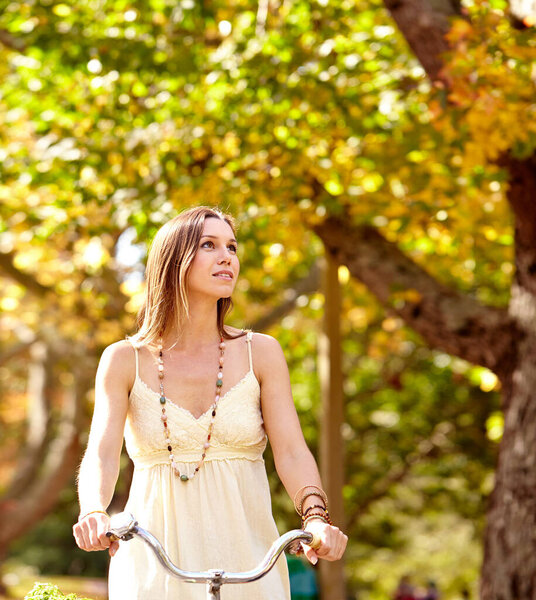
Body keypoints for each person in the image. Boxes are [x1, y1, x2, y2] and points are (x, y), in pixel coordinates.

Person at [72, 206, 348, 599]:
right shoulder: (123, 359)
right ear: (174, 261)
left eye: (232, 247)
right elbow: (101, 454)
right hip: (152, 561)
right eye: (209, 245)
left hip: (248, 562)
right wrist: (94, 512)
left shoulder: (262, 353)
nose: (227, 257)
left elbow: (291, 451)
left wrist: (316, 519)